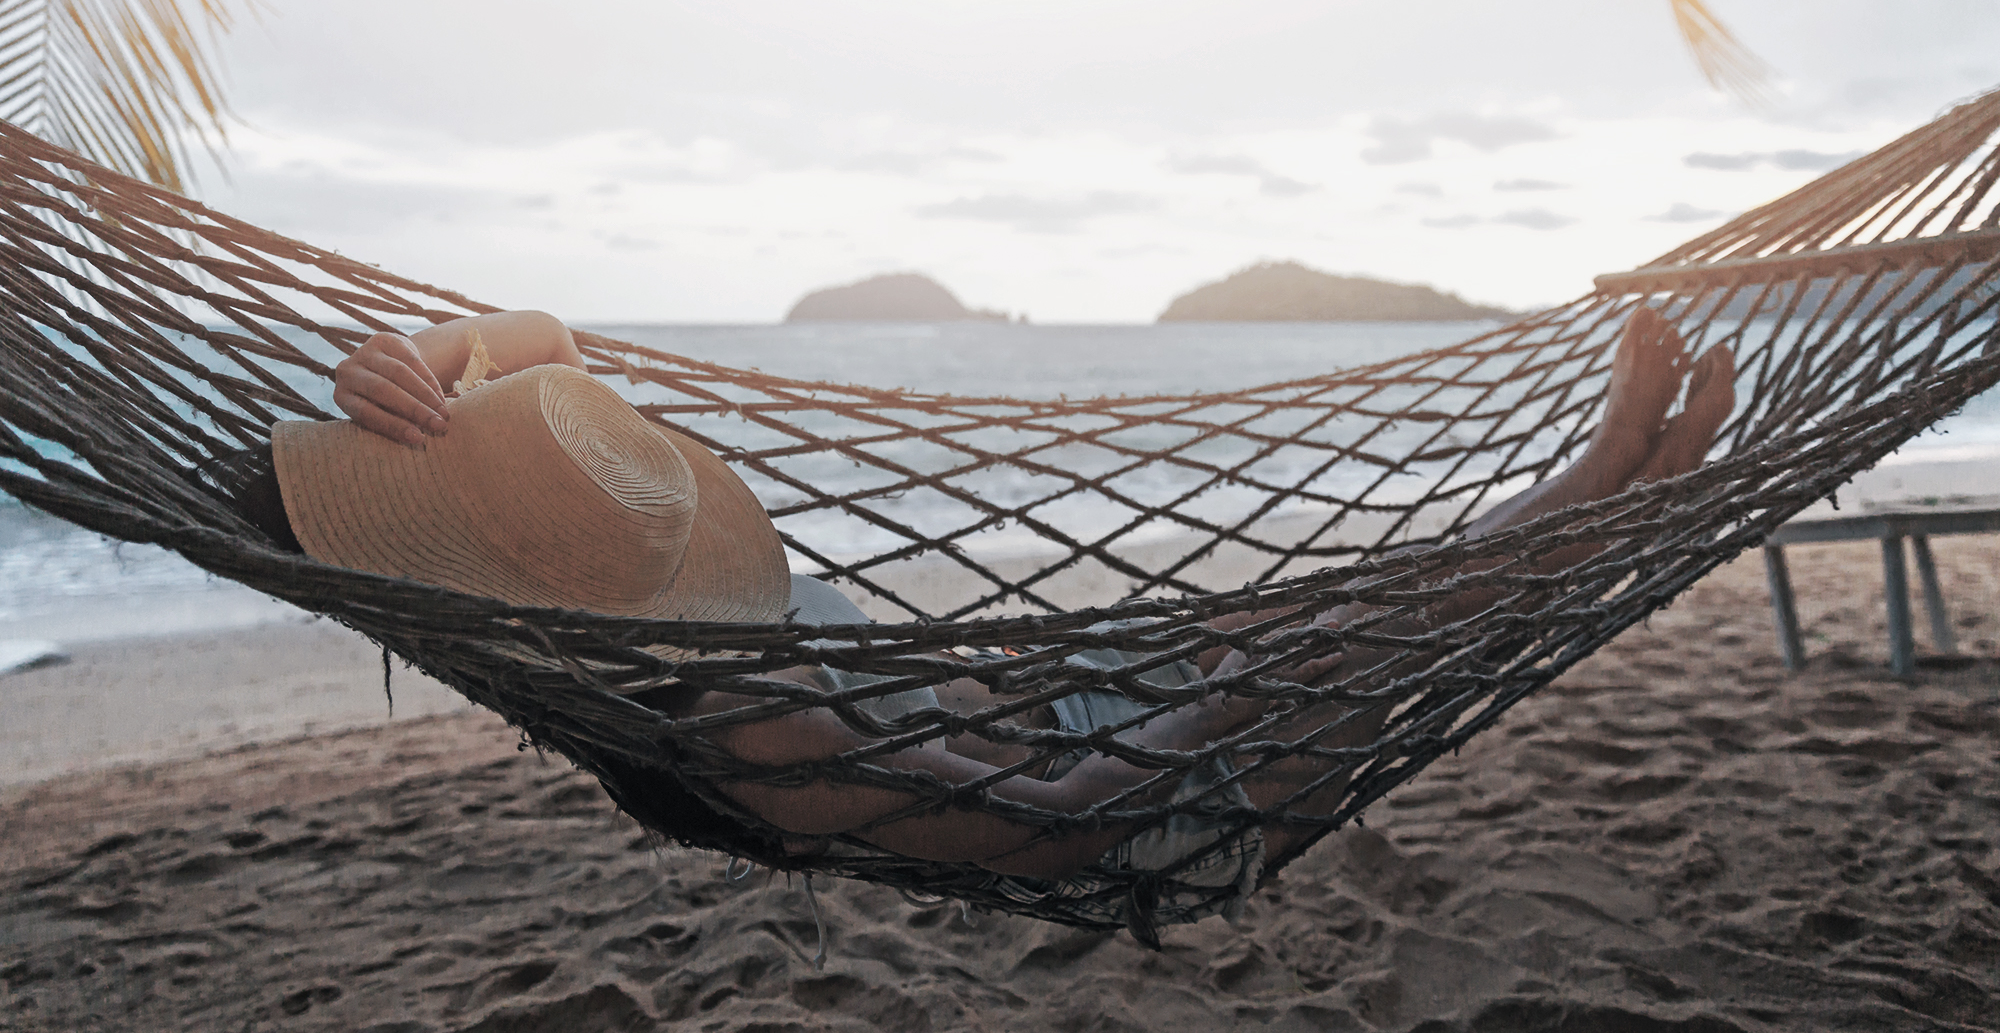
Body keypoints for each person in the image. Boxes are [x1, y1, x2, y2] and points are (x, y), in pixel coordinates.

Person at [224, 304, 1735, 931]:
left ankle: (1600, 488)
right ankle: (1607, 496)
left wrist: (404, 362)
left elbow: (528, 345)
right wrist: (1220, 694)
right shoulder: (752, 724)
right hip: (1151, 802)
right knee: (1338, 636)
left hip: (1066, 704)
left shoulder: (619, 613)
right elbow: (1071, 832)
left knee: (1310, 619)